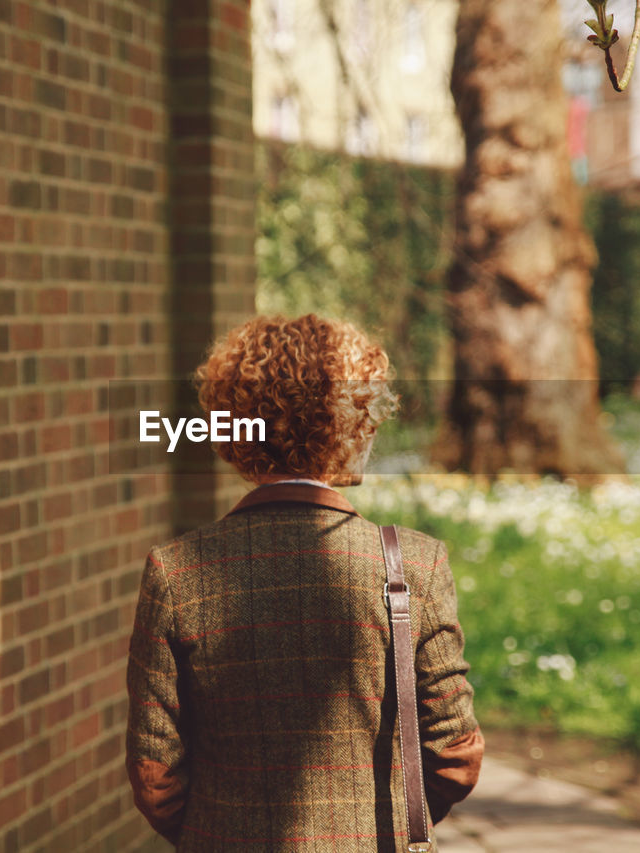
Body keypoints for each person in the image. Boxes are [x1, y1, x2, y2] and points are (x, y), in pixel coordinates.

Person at [126, 314, 483, 850]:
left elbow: (155, 773)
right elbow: (456, 752)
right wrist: (367, 824)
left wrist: (218, 833)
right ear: (350, 424)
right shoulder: (414, 563)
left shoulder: (177, 572)